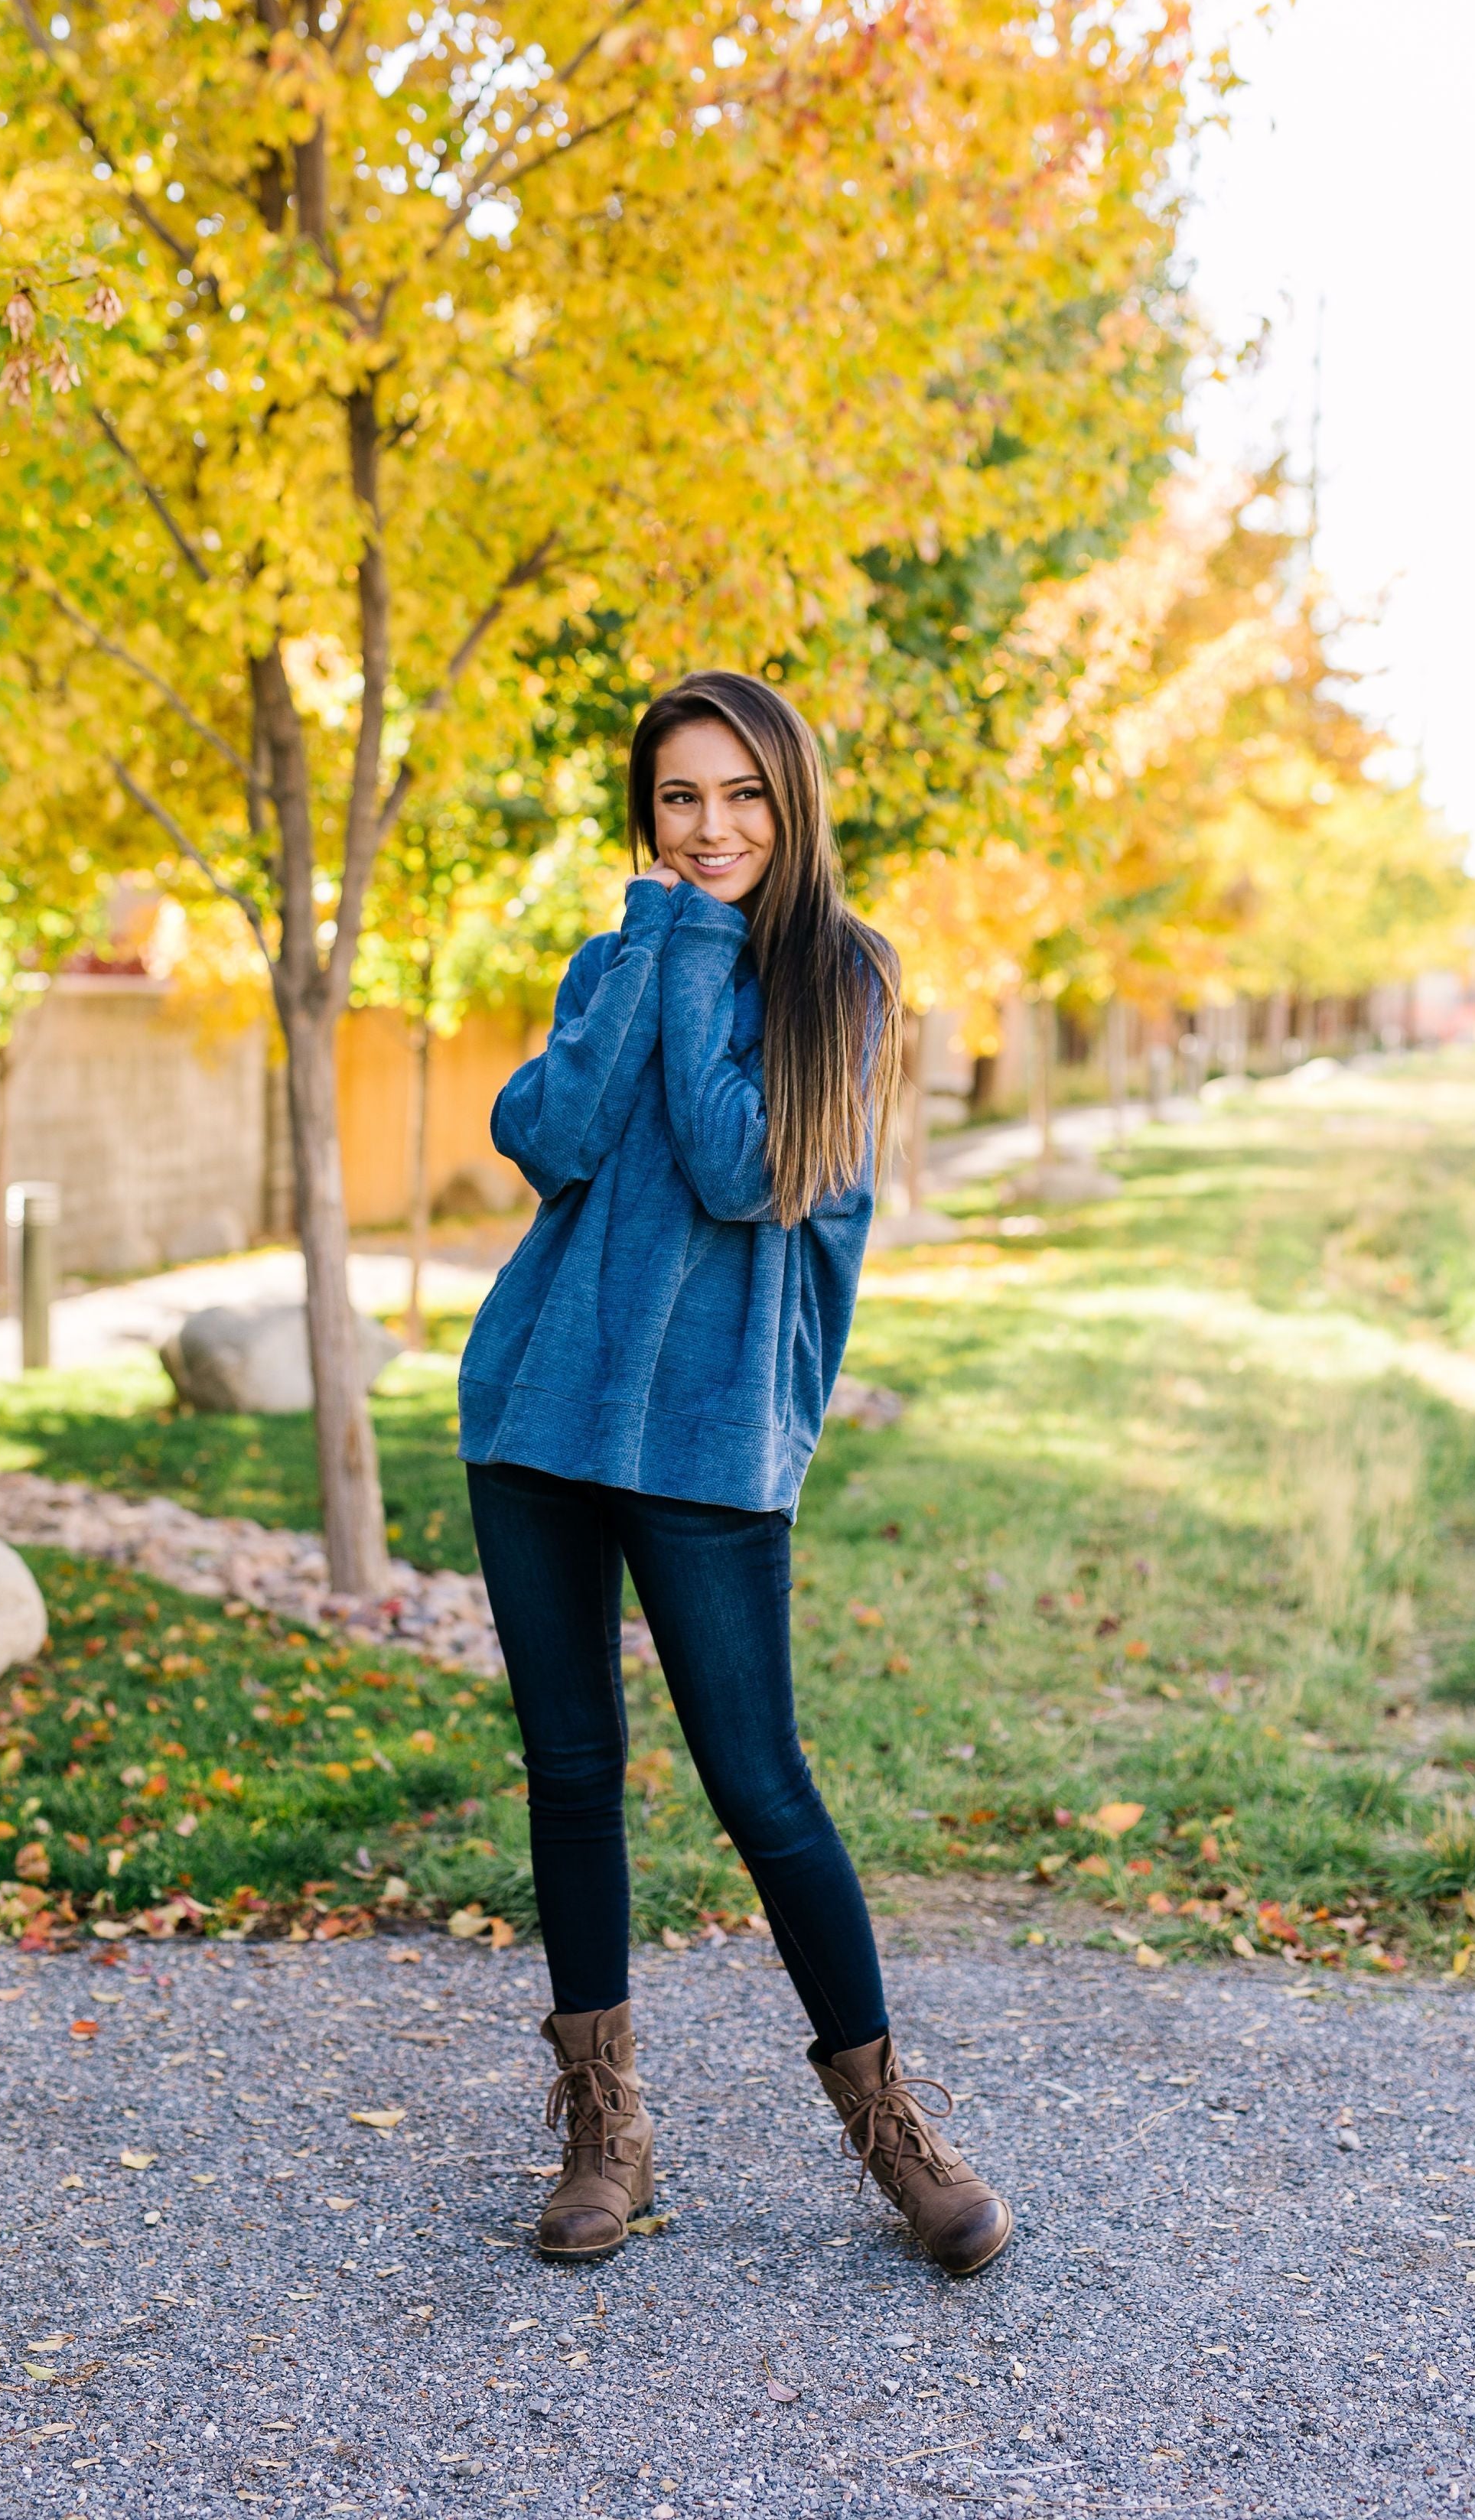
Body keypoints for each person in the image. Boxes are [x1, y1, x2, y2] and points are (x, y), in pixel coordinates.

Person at [457, 670, 1011, 2275]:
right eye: (680, 799)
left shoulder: (844, 978)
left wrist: (689, 952)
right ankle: (604, 2123)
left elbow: (731, 1163)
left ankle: (890, 2129)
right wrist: (647, 963)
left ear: (795, 802)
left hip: (706, 1444)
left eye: (742, 796)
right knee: (570, 1769)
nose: (710, 829)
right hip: (538, 1420)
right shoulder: (612, 956)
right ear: (649, 811)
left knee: (760, 1787)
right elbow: (549, 1136)